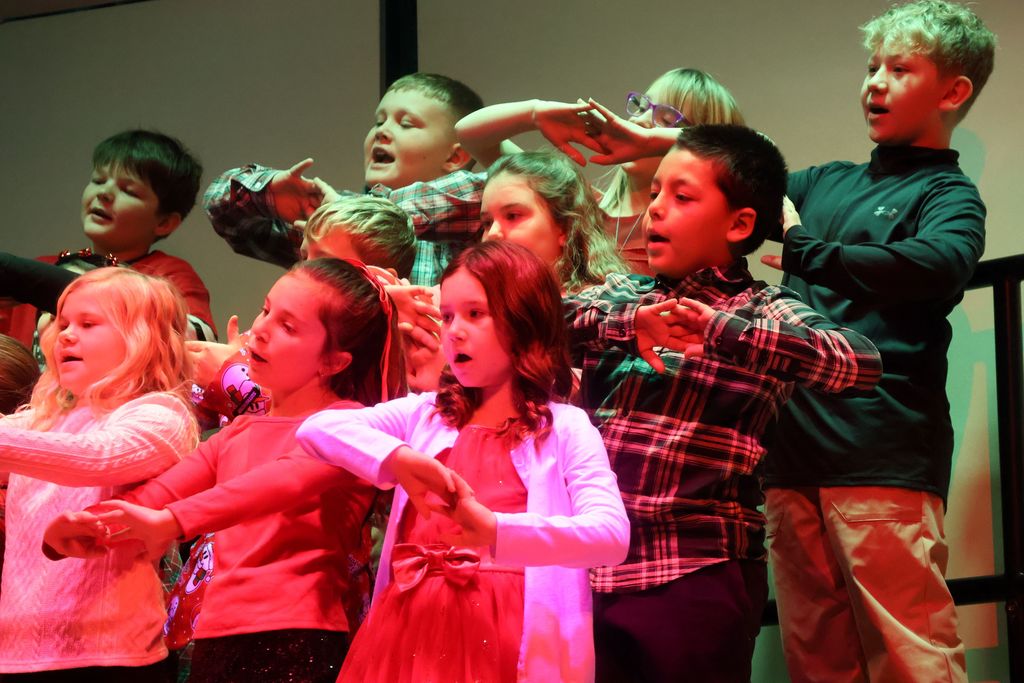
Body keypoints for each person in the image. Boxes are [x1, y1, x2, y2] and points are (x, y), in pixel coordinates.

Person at [563, 124, 884, 682]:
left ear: (740, 224)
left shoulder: (762, 307)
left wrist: (720, 329)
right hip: (584, 572)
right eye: (657, 191)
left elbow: (857, 362)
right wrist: (627, 323)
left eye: (682, 196)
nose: (656, 209)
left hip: (694, 571)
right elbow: (532, 322)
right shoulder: (623, 295)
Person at [758, 2, 996, 681]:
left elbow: (937, 263)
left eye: (899, 68)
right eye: (871, 68)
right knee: (816, 659)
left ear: (953, 92)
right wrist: (659, 137)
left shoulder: (948, 192)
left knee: (911, 656)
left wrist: (809, 250)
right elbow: (734, 181)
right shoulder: (827, 181)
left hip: (881, 456)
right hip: (792, 457)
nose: (876, 83)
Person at [45, 258, 406, 683]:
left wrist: (171, 521)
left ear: (334, 362)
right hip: (217, 634)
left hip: (297, 637)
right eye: (267, 309)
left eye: (288, 326)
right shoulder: (240, 432)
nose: (263, 328)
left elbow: (270, 486)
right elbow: (158, 494)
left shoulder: (348, 428)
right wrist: (87, 528)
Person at [297, 241, 630, 682]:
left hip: (510, 633)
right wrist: (397, 459)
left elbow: (610, 535)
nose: (453, 330)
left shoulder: (564, 427)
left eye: (476, 314)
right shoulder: (426, 413)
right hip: (409, 624)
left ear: (524, 322)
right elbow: (316, 430)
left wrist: (496, 530)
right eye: (448, 315)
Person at [0, 268, 197, 680]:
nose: (66, 335)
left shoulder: (160, 414)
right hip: (18, 651)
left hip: (110, 656)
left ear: (142, 340)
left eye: (88, 324)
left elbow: (96, 457)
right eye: (63, 322)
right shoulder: (46, 418)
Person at [204, 73, 485, 286]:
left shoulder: (483, 223)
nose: (382, 132)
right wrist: (267, 192)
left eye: (406, 124)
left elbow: (482, 187)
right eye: (379, 121)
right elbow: (225, 213)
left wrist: (363, 219)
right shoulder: (331, 219)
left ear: (455, 158)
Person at [453, 68, 744, 274]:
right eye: (641, 107)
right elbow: (470, 135)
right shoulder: (579, 205)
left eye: (667, 120)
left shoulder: (693, 231)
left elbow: (741, 149)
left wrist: (648, 142)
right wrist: (534, 113)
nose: (642, 122)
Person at [0, 130, 215, 349]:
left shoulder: (169, 275)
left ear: (164, 222)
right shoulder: (41, 266)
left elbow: (199, 340)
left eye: (129, 191)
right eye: (98, 180)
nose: (104, 193)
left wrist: (46, 283)